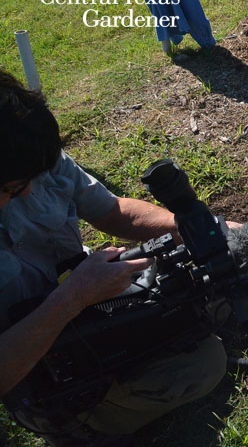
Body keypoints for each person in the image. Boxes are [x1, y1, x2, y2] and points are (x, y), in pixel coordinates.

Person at [0, 71, 228, 446]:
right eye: (12, 188)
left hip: (84, 299)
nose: (26, 194)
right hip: (35, 361)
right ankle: (80, 427)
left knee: (197, 288)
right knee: (203, 365)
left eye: (31, 180)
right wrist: (71, 299)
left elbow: (113, 211)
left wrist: (199, 227)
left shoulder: (29, 154)